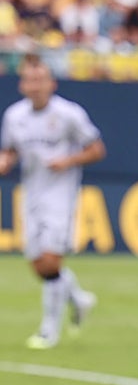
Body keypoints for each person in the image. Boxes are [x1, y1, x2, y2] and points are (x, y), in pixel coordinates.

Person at [0, 53, 106, 350]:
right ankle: (79, 299)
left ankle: (49, 331)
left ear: (51, 83)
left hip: (60, 195)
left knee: (51, 260)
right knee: (40, 266)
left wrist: (69, 160)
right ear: (22, 84)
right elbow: (9, 151)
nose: (35, 85)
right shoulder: (14, 116)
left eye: (40, 79)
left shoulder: (69, 114)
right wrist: (5, 162)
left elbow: (97, 149)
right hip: (30, 193)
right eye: (29, 80)